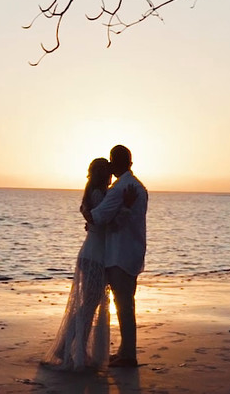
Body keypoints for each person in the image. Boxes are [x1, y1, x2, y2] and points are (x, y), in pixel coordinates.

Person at [42, 157, 138, 371]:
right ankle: (73, 350)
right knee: (88, 304)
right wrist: (128, 207)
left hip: (93, 254)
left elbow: (95, 219)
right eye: (107, 170)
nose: (111, 174)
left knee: (88, 303)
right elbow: (108, 223)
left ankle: (69, 347)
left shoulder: (96, 193)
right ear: (103, 174)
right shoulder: (100, 194)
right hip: (94, 256)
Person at [85, 145, 148, 368]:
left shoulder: (122, 187)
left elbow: (99, 216)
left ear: (114, 162)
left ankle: (128, 354)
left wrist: (87, 214)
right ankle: (125, 350)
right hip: (132, 252)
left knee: (123, 304)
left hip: (120, 254)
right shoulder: (136, 185)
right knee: (126, 303)